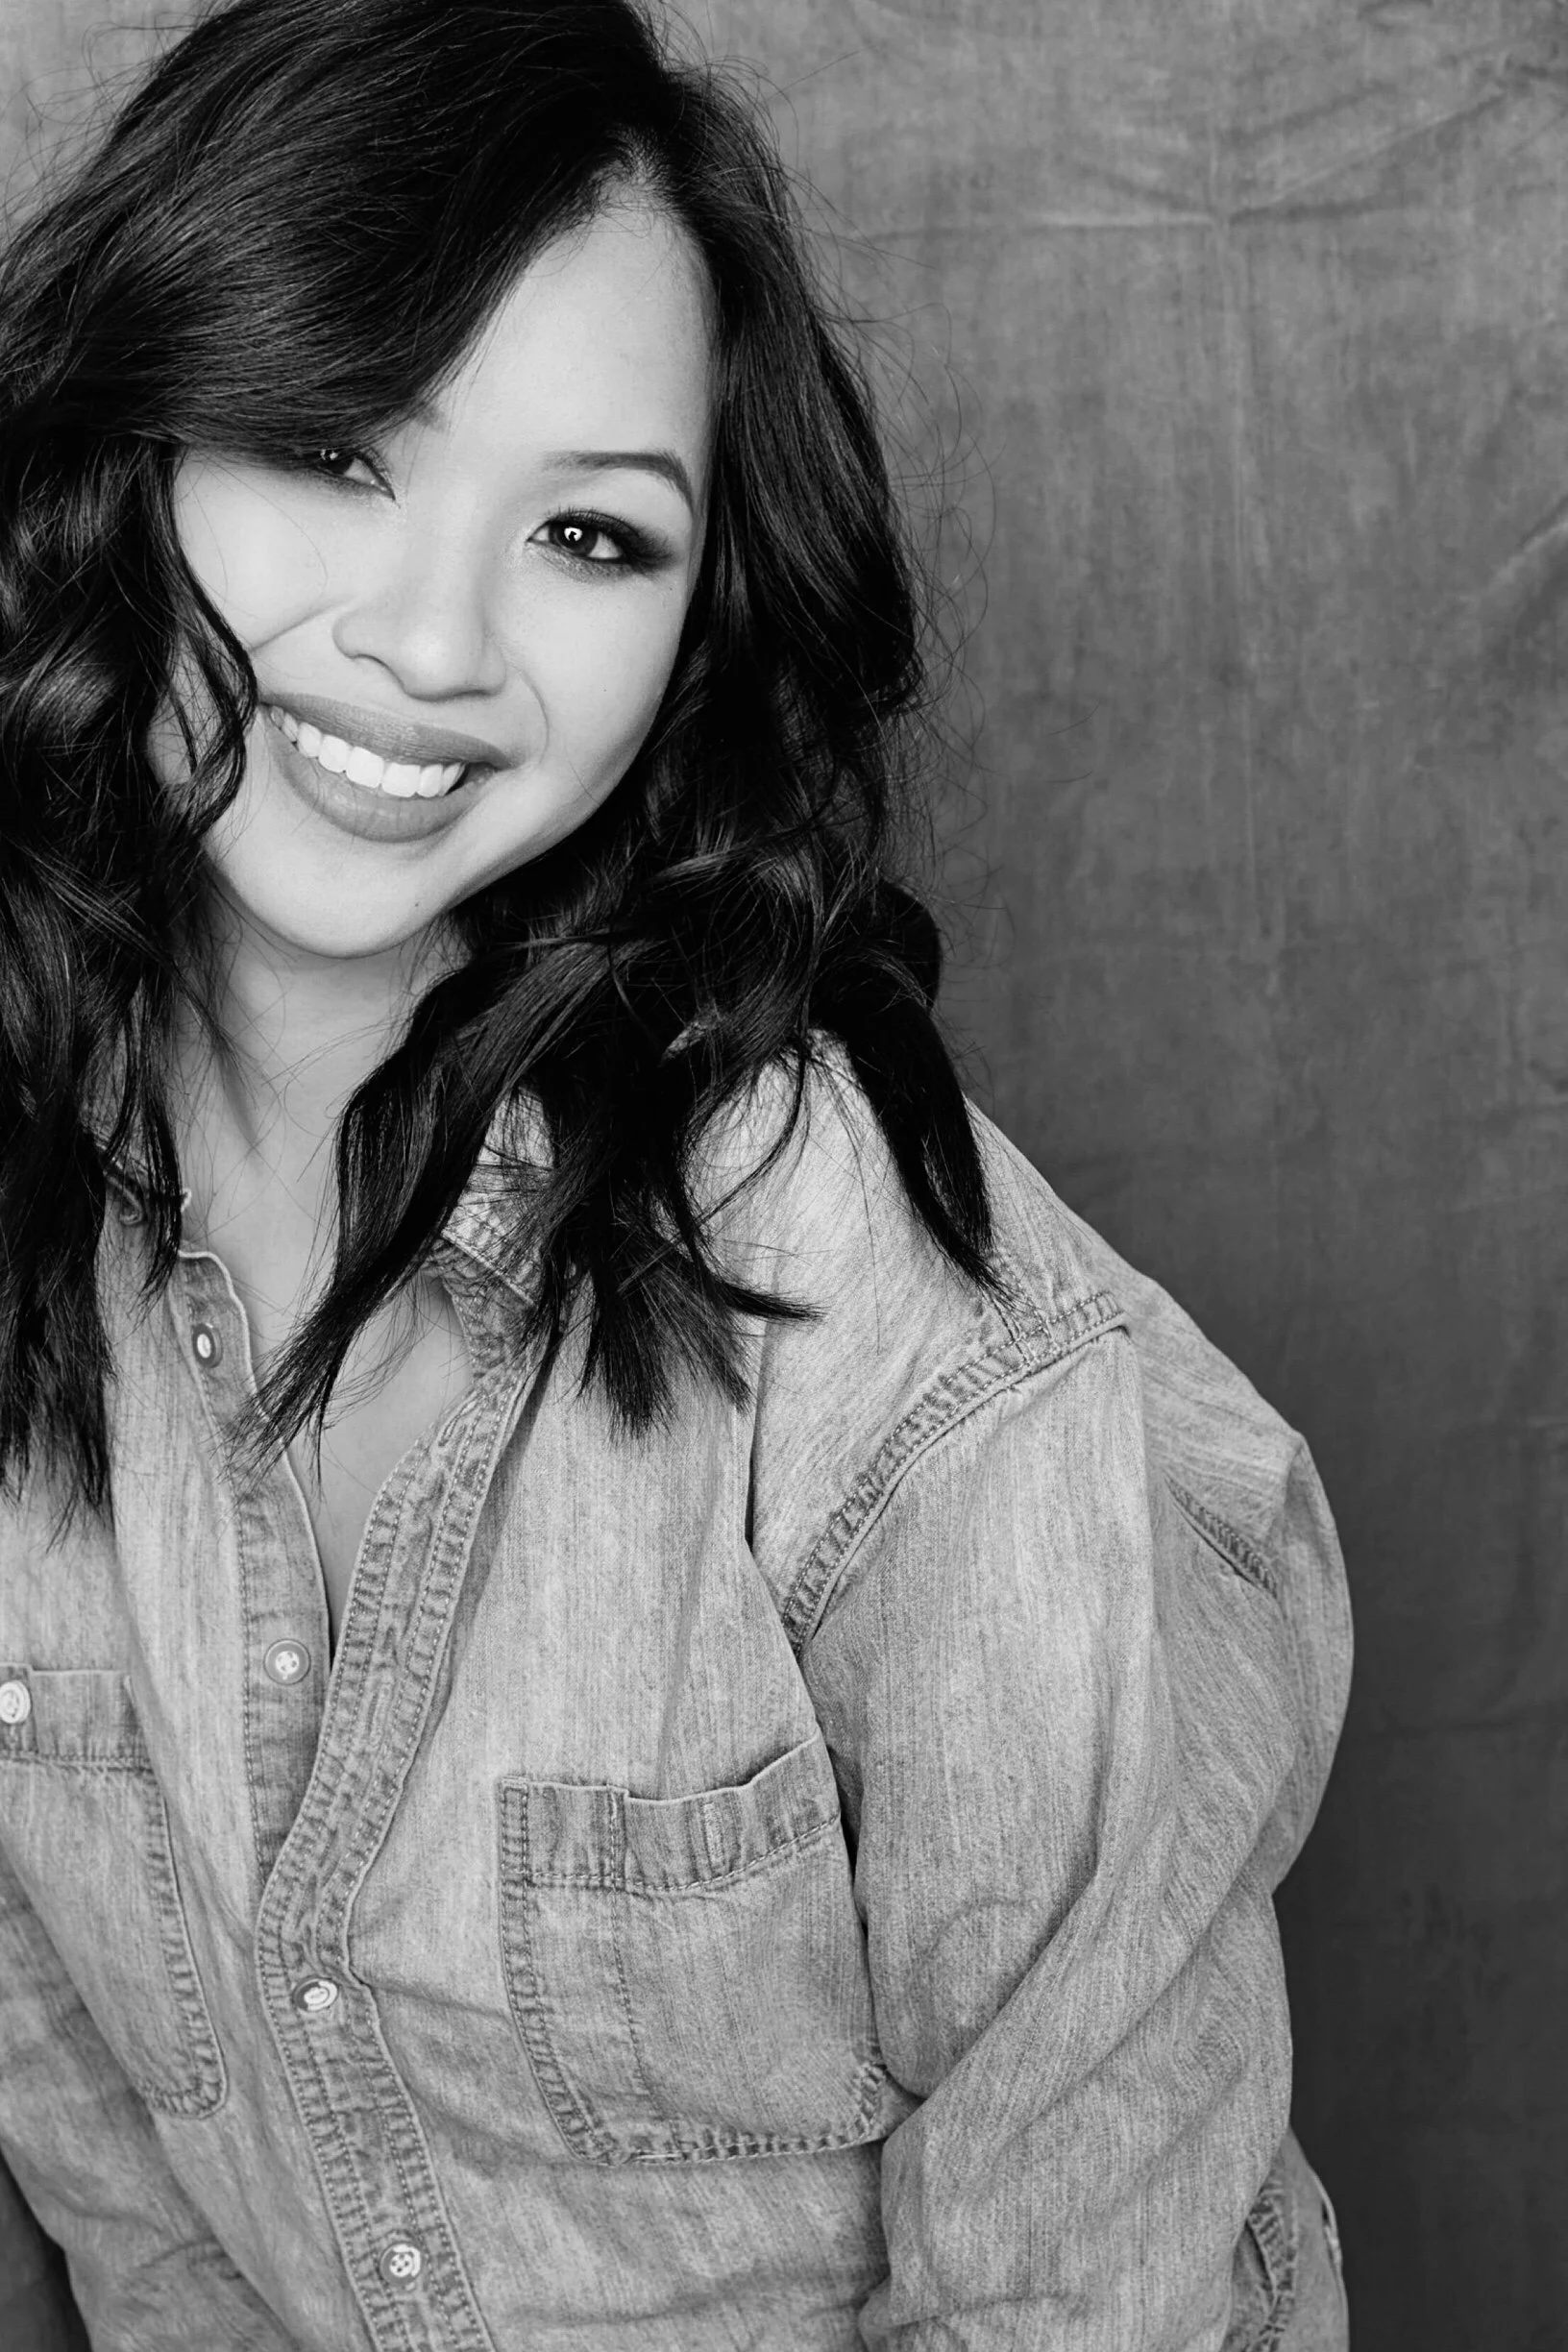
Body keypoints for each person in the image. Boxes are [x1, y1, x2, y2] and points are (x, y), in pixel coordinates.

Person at [0, 1, 1354, 2344]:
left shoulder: (856, 1286)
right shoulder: (37, 1187)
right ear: (130, 445)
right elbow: (128, 2197)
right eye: (333, 448)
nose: (432, 640)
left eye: (587, 533)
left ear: (695, 625)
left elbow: (1091, 2288)